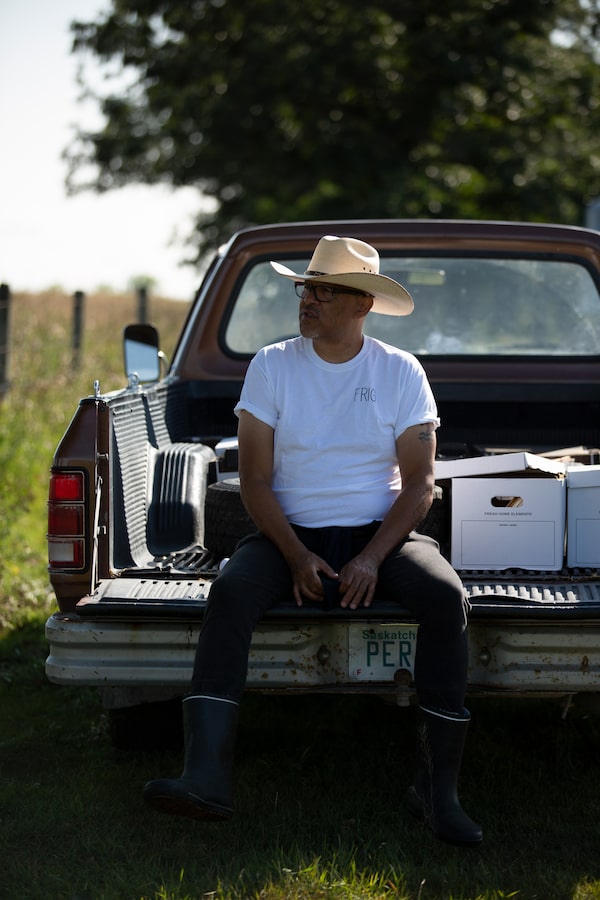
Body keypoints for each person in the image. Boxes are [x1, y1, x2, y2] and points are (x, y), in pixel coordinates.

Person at [144, 235, 482, 846]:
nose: (308, 299)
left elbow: (420, 485)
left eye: (326, 291)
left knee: (444, 595)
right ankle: (205, 778)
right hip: (287, 533)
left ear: (363, 304)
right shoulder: (272, 365)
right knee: (230, 591)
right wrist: (295, 554)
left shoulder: (400, 371)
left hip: (379, 536)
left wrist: (371, 558)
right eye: (306, 287)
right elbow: (253, 479)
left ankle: (437, 793)